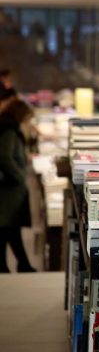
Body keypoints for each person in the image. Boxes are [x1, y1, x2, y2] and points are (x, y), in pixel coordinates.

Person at [0, 99, 36, 272]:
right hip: (9, 189)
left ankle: (18, 265)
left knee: (7, 228)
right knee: (9, 227)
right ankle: (22, 264)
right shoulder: (9, 132)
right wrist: (20, 176)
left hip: (8, 187)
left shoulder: (6, 128)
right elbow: (5, 157)